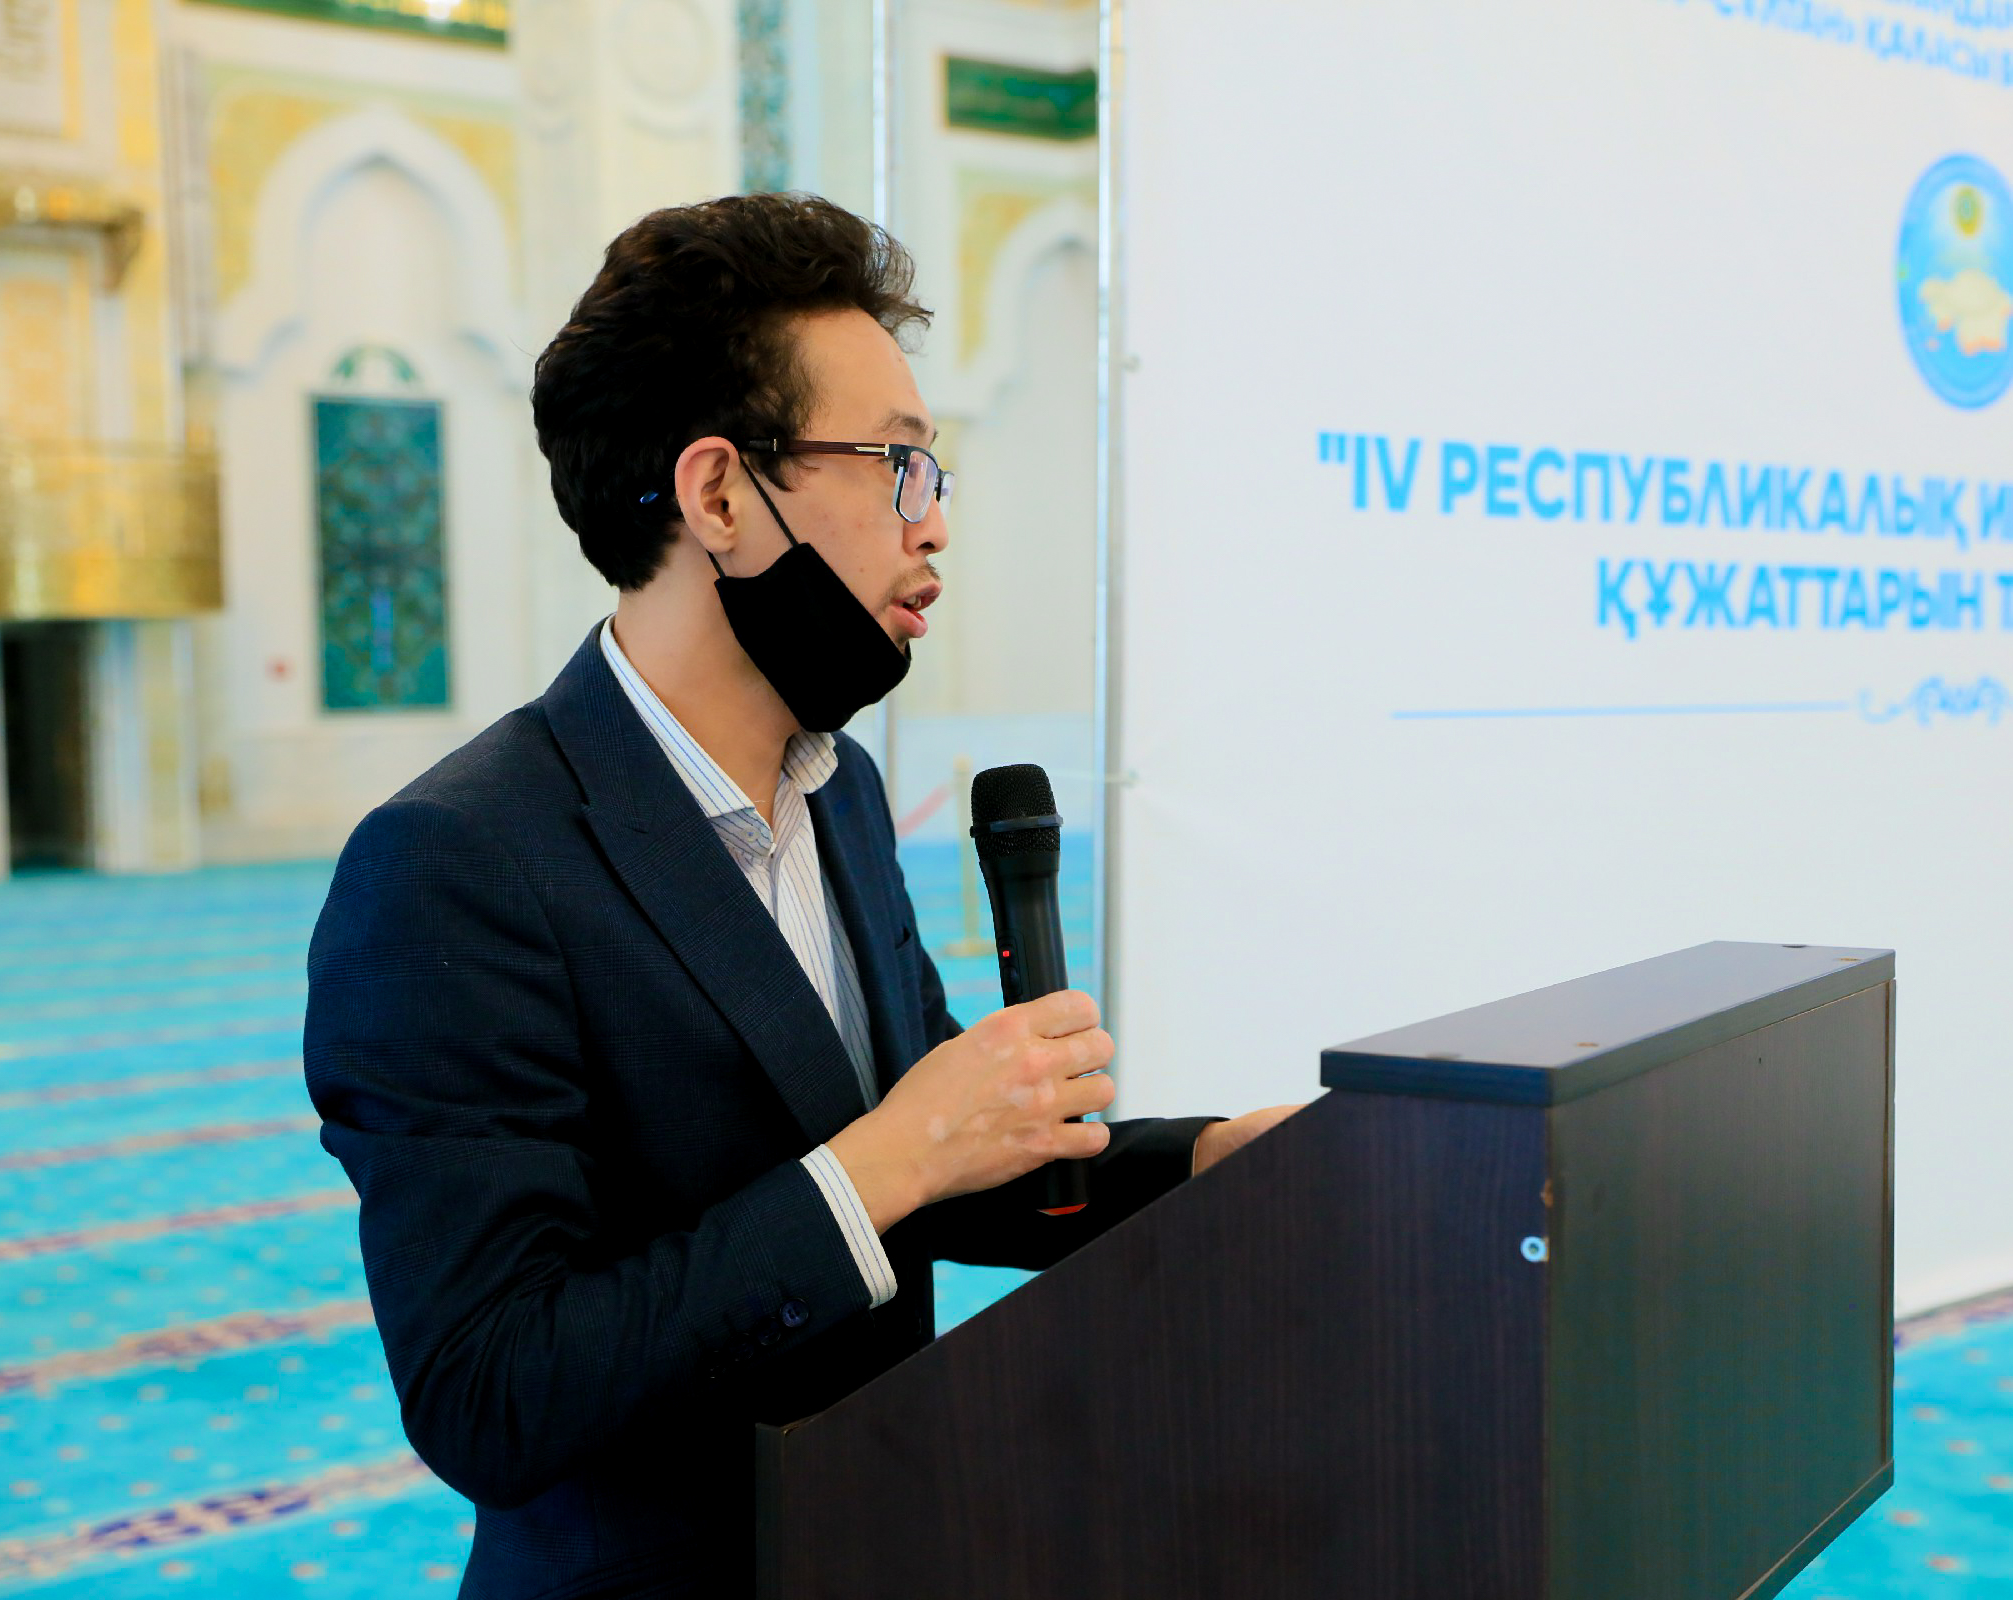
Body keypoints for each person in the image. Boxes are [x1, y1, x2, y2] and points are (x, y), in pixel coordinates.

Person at [302, 192, 1303, 1598]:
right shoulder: (458, 864)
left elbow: (939, 1163)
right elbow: (495, 1392)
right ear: (719, 497)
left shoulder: (839, 795)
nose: (934, 523)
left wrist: (1213, 1160)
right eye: (897, 464)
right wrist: (889, 1157)